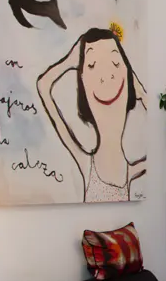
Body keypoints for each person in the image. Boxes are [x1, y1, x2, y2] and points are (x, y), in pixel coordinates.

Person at [38, 26, 147, 202]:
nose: (106, 77)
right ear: (83, 81)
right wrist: (69, 62)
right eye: (91, 65)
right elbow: (43, 85)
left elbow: (158, 131)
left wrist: (139, 91)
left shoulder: (132, 171)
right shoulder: (87, 166)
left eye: (115, 63)